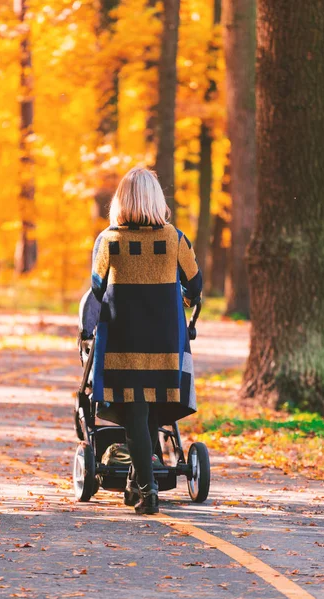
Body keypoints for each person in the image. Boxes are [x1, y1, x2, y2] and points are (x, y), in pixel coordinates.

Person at [90, 167, 202, 515]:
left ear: (121, 200)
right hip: (165, 340)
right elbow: (195, 287)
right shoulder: (175, 239)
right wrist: (174, 294)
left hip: (123, 340)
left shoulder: (108, 240)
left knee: (135, 410)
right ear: (157, 199)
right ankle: (140, 482)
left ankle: (148, 489)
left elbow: (96, 286)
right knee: (151, 406)